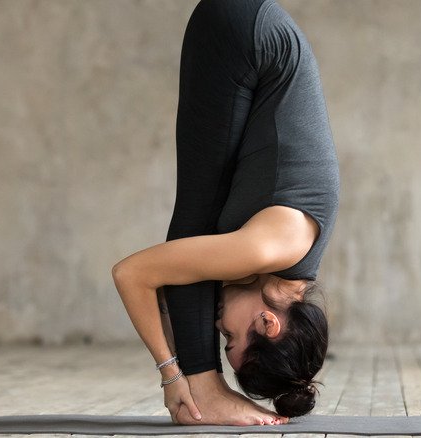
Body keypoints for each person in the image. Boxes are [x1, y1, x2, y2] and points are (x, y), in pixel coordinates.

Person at [112, 0, 339, 426]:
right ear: (268, 322)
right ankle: (206, 386)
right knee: (193, 218)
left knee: (193, 243)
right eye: (230, 337)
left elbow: (167, 288)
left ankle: (206, 385)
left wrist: (181, 363)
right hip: (243, 34)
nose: (219, 327)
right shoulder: (269, 248)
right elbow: (133, 274)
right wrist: (173, 376)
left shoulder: (287, 262)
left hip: (250, 29)